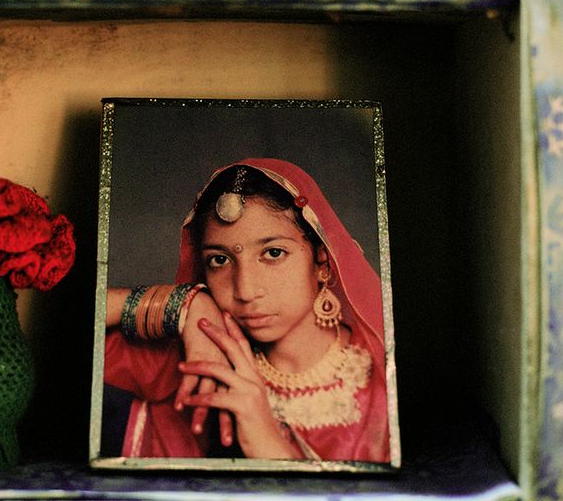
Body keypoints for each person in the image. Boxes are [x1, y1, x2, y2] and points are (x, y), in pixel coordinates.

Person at [102, 158, 393, 463]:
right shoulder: (199, 360)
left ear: (322, 262)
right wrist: (187, 303)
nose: (245, 290)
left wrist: (274, 449)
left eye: (273, 253)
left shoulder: (384, 378)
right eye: (219, 260)